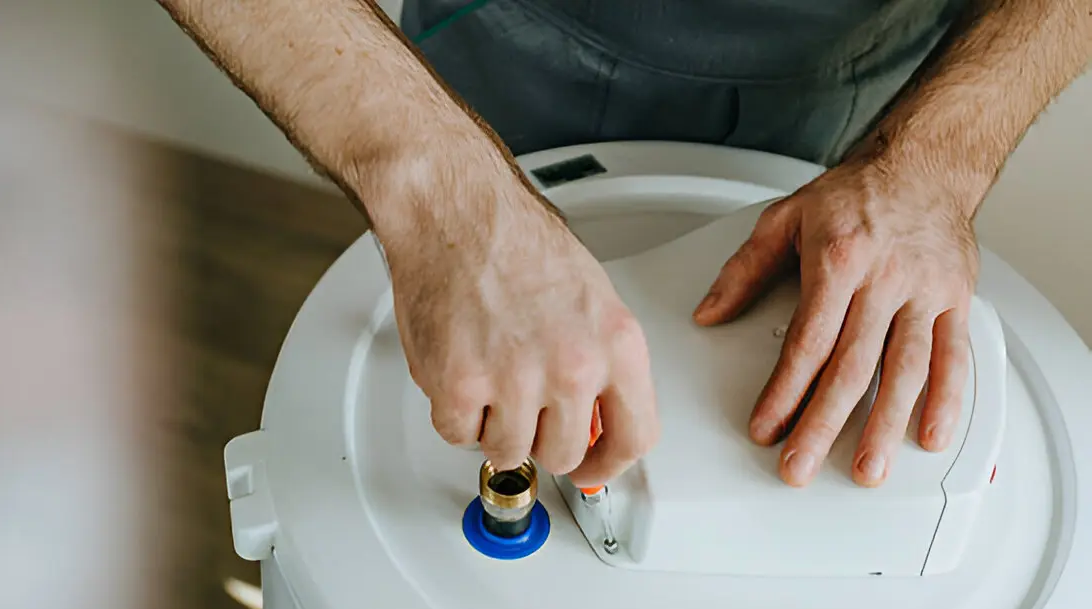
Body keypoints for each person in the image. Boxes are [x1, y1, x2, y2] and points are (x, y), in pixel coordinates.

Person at [156, 0, 1090, 488]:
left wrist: (936, 162)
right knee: (462, 396)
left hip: (871, 78)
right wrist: (444, 201)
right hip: (518, 42)